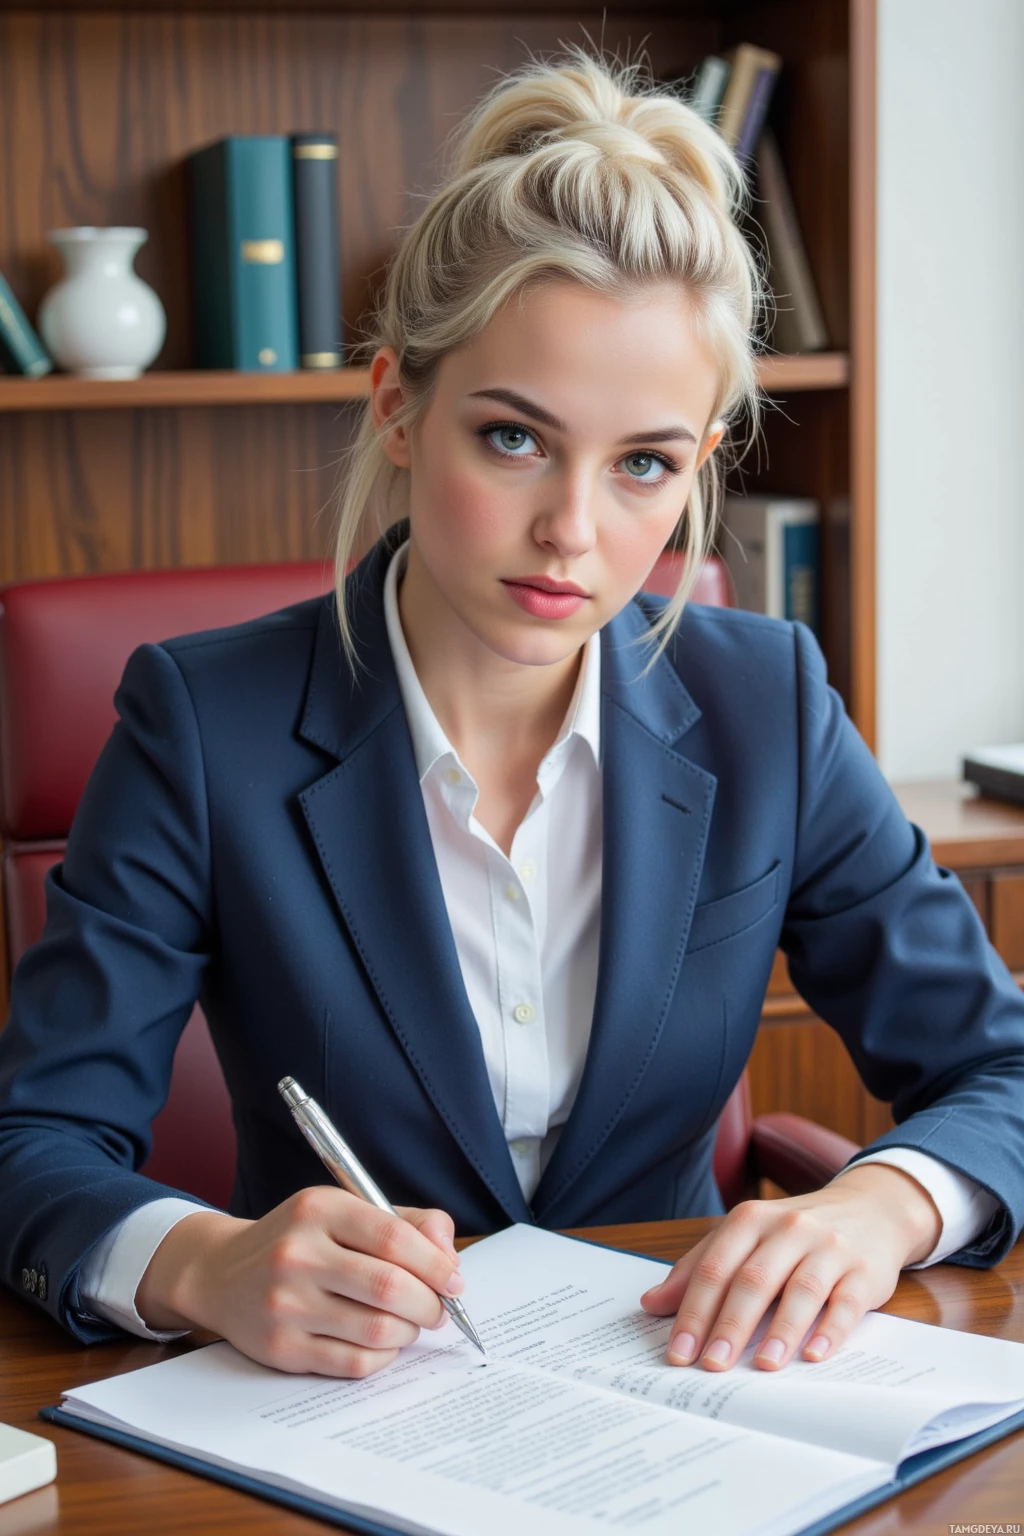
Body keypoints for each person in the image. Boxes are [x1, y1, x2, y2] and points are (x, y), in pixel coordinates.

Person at [0, 51, 1022, 1386]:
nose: (573, 533)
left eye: (643, 462)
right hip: (339, 1402)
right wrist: (203, 1263)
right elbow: (34, 1147)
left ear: (698, 468)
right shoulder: (202, 721)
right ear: (400, 408)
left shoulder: (765, 699)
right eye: (515, 437)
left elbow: (999, 1069)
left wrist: (880, 1207)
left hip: (691, 1397)